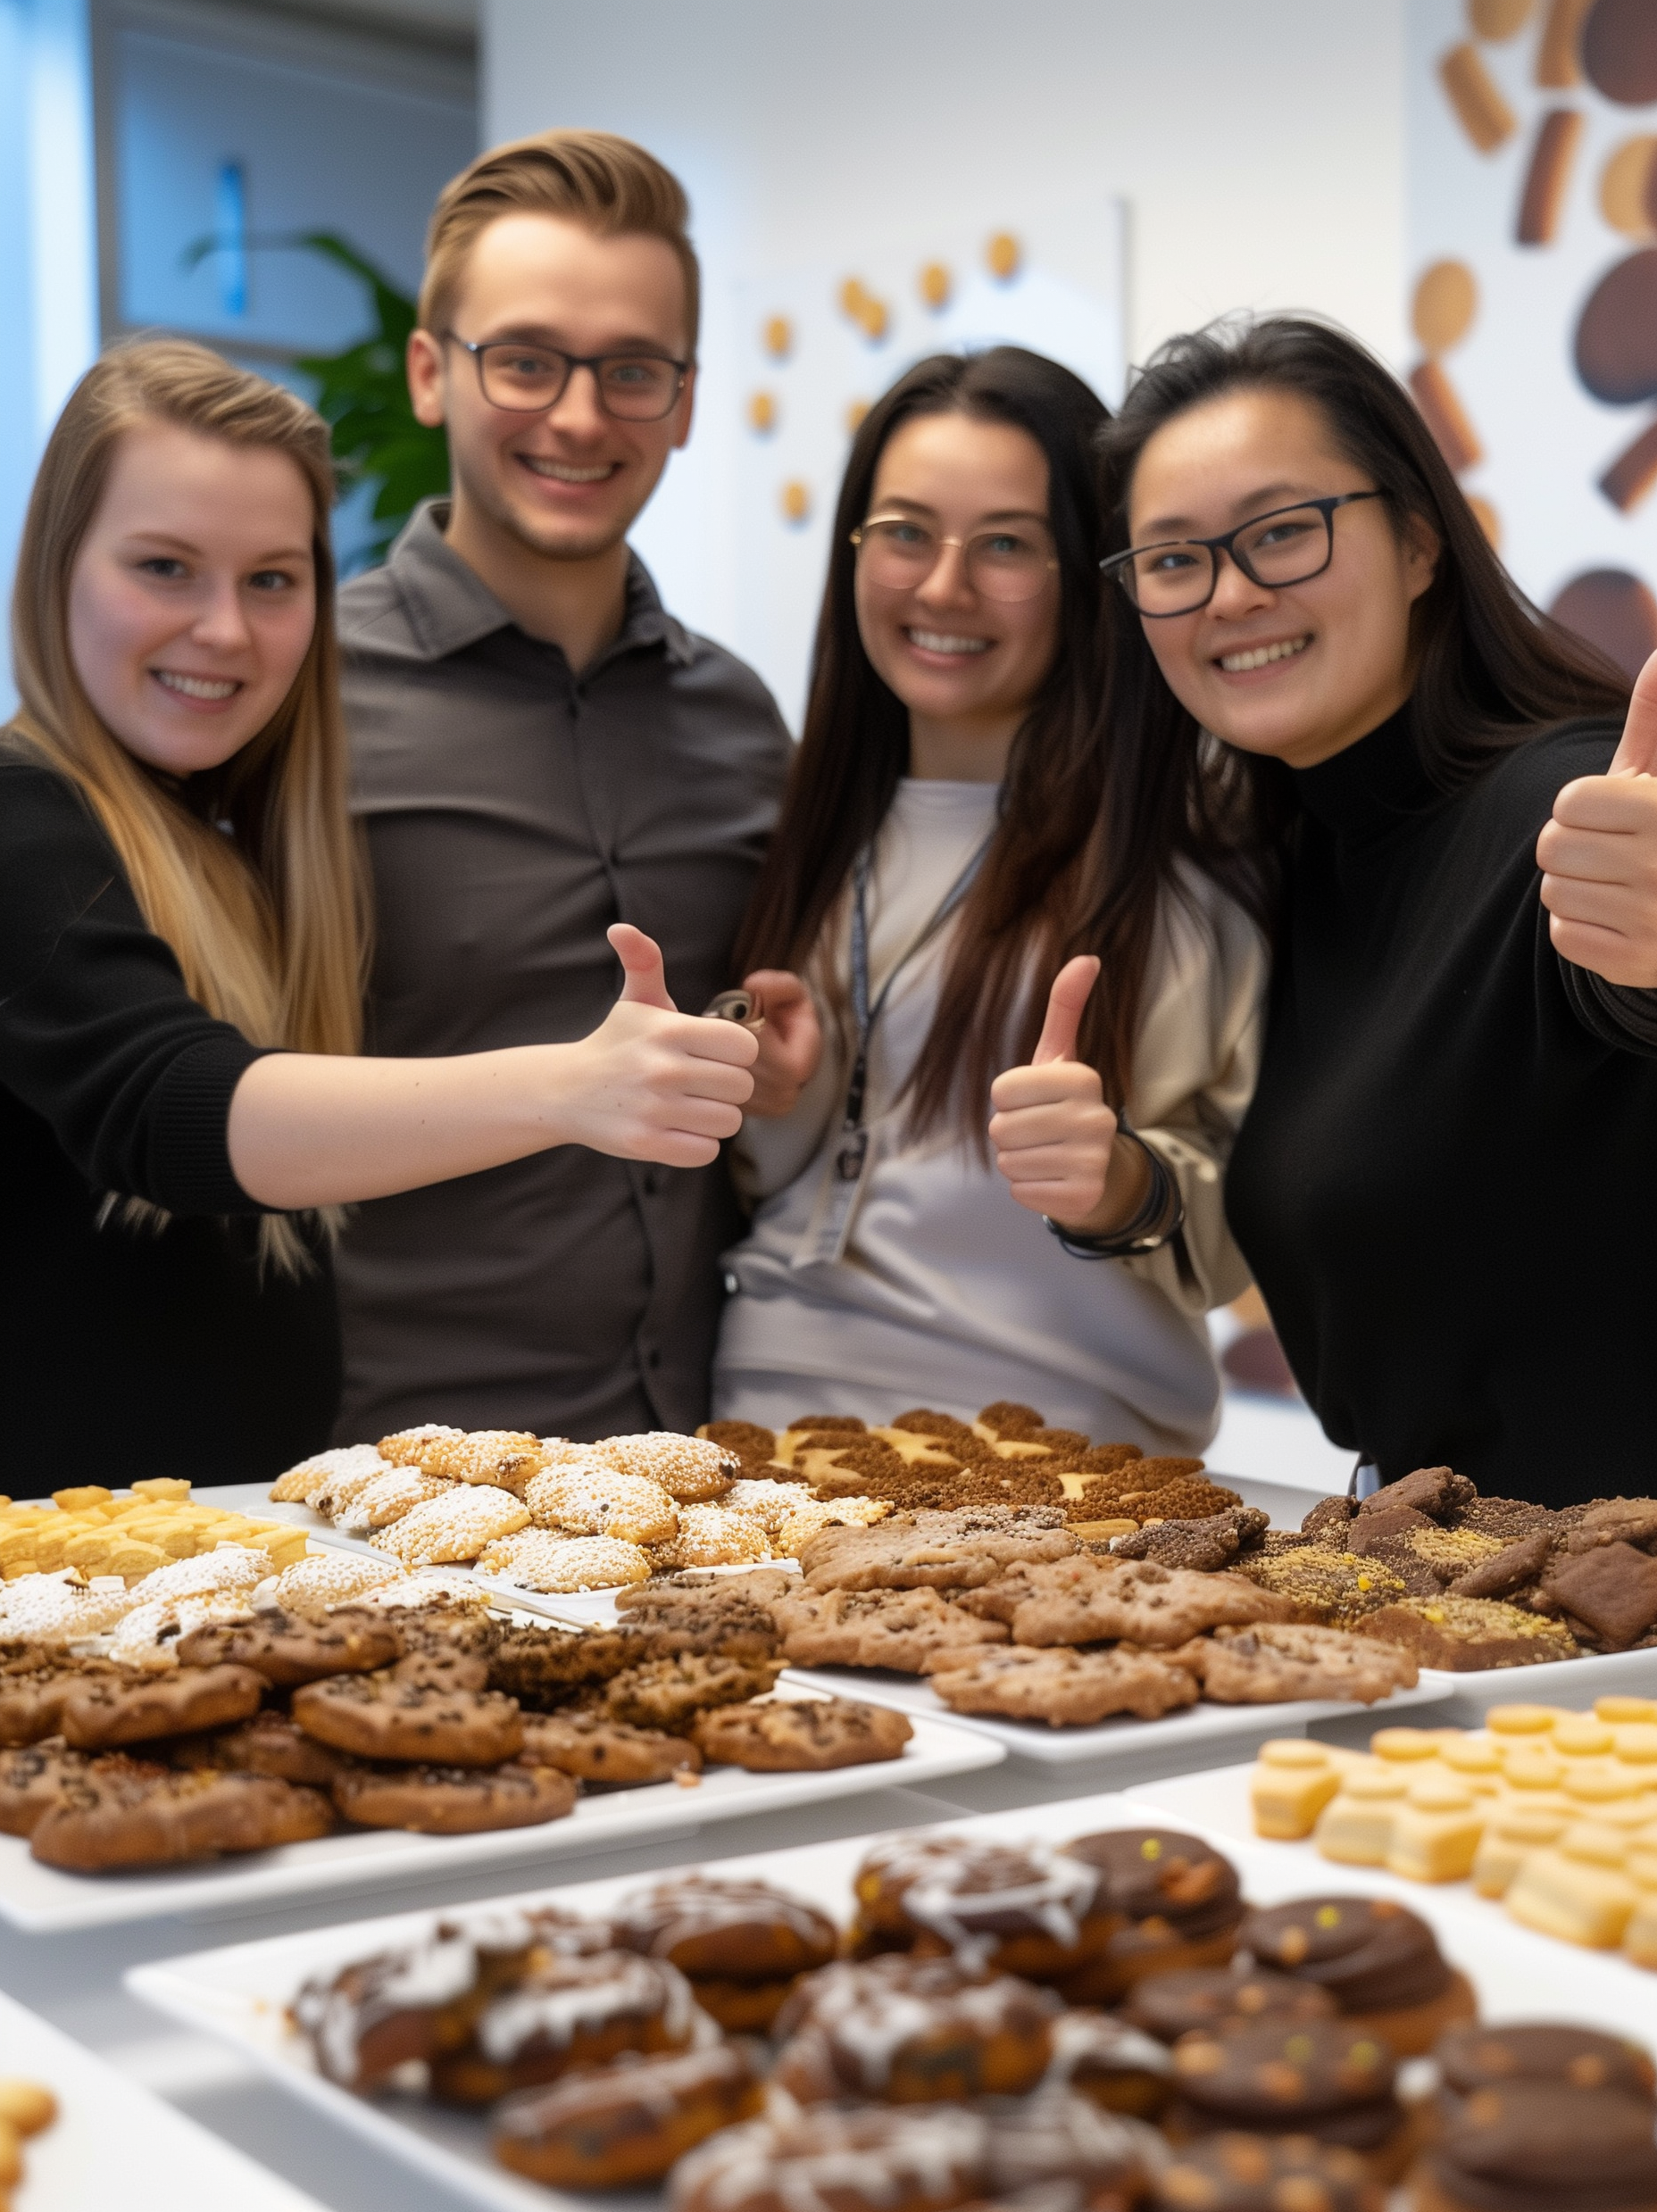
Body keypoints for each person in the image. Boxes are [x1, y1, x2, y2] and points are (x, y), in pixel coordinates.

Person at [0, 339, 757, 1493]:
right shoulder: (20, 813)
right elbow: (170, 1109)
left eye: (271, 579)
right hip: (67, 1580)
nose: (224, 631)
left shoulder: (225, 834)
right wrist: (573, 1086)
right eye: (163, 567)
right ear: (54, 566)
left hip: (238, 1551)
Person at [1095, 312, 1656, 1506]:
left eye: (1285, 532)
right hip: (1467, 1605)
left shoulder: (1564, 809)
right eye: (1174, 559)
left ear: (1415, 540)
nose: (1231, 593)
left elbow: (1627, 986)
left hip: (1618, 1637)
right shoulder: (1291, 868)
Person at [711, 347, 1270, 1449]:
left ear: (1085, 574)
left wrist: (1118, 1182)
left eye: (1006, 544)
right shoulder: (805, 827)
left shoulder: (1183, 865)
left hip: (1056, 1467)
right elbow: (821, 1181)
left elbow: (1259, 1215)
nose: (940, 587)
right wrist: (781, 1102)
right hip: (760, 1443)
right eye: (905, 532)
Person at [333, 129, 789, 1444]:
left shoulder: (743, 721)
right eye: (525, 360)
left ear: (687, 400)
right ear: (433, 374)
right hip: (370, 1476)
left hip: (691, 1471)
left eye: (632, 371)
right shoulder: (289, 703)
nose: (581, 416)